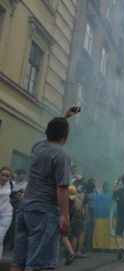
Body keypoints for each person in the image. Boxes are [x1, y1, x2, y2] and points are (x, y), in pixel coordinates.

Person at [10, 105, 79, 271]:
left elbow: (49, 134)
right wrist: (65, 216)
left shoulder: (38, 146)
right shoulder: (61, 155)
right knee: (39, 265)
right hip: (44, 213)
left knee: (18, 262)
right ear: (66, 136)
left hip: (24, 210)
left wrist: (64, 117)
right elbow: (62, 189)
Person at [0, 166, 13, 261]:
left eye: (7, 176)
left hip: (6, 214)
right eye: (3, 175)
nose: (5, 177)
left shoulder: (11, 184)